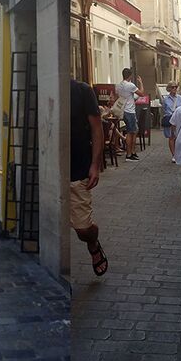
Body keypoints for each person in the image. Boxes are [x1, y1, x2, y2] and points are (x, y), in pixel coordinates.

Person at [70, 79, 107, 277]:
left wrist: (95, 164)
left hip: (78, 168)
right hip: (49, 170)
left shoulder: (82, 90)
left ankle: (93, 242)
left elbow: (96, 128)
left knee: (83, 229)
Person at [116, 68, 145, 161]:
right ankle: (129, 154)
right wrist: (141, 83)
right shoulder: (130, 85)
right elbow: (142, 93)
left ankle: (132, 152)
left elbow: (125, 96)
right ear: (130, 76)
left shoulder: (119, 85)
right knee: (130, 132)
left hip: (123, 110)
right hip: (130, 111)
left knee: (133, 131)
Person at [162, 82, 181, 163]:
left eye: (176, 87)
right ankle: (174, 155)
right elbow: (164, 109)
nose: (174, 88)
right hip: (170, 119)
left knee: (178, 137)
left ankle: (178, 153)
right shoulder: (165, 99)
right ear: (169, 88)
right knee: (171, 137)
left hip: (178, 119)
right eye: (172, 87)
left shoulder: (180, 98)